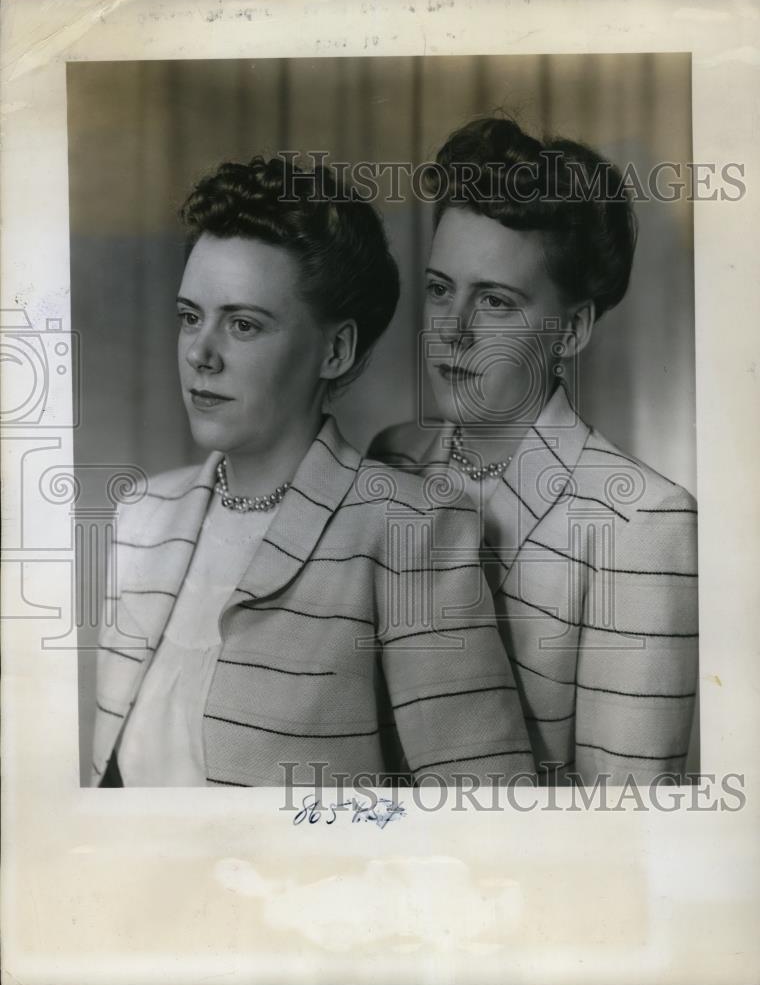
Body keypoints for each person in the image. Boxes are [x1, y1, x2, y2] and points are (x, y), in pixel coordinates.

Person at [90, 154, 534, 788]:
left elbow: (483, 805)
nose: (200, 353)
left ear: (335, 349)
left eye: (243, 324)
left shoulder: (408, 531)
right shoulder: (140, 517)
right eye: (191, 316)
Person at [370, 117, 698, 785]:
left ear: (571, 330)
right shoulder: (391, 460)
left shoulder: (640, 526)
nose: (452, 333)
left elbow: (625, 827)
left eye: (494, 301)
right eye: (440, 290)